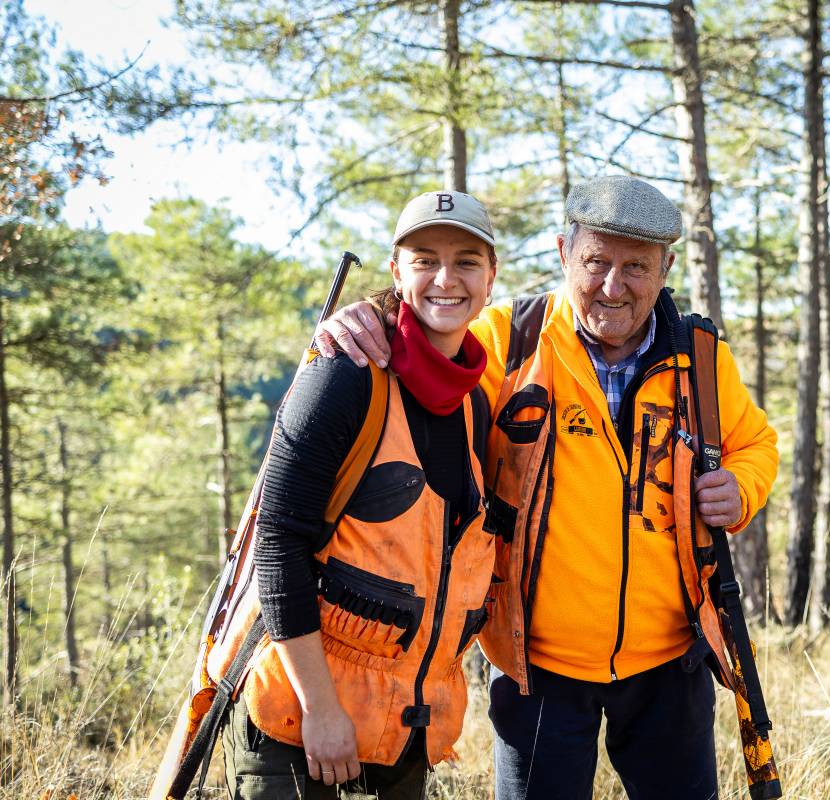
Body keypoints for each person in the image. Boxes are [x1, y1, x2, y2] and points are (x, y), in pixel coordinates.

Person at [317, 175, 779, 800]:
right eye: (596, 262)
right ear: (564, 253)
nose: (613, 286)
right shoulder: (507, 341)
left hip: (672, 663)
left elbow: (756, 444)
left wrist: (740, 487)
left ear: (666, 269)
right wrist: (371, 316)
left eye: (636, 267)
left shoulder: (699, 358)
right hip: (535, 668)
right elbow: (421, 358)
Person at [223, 190, 499, 800]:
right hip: (299, 724)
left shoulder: (477, 402)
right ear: (397, 271)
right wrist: (320, 710)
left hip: (404, 729)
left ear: (491, 276)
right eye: (424, 260)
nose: (445, 279)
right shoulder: (343, 374)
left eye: (466, 261)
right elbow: (278, 542)